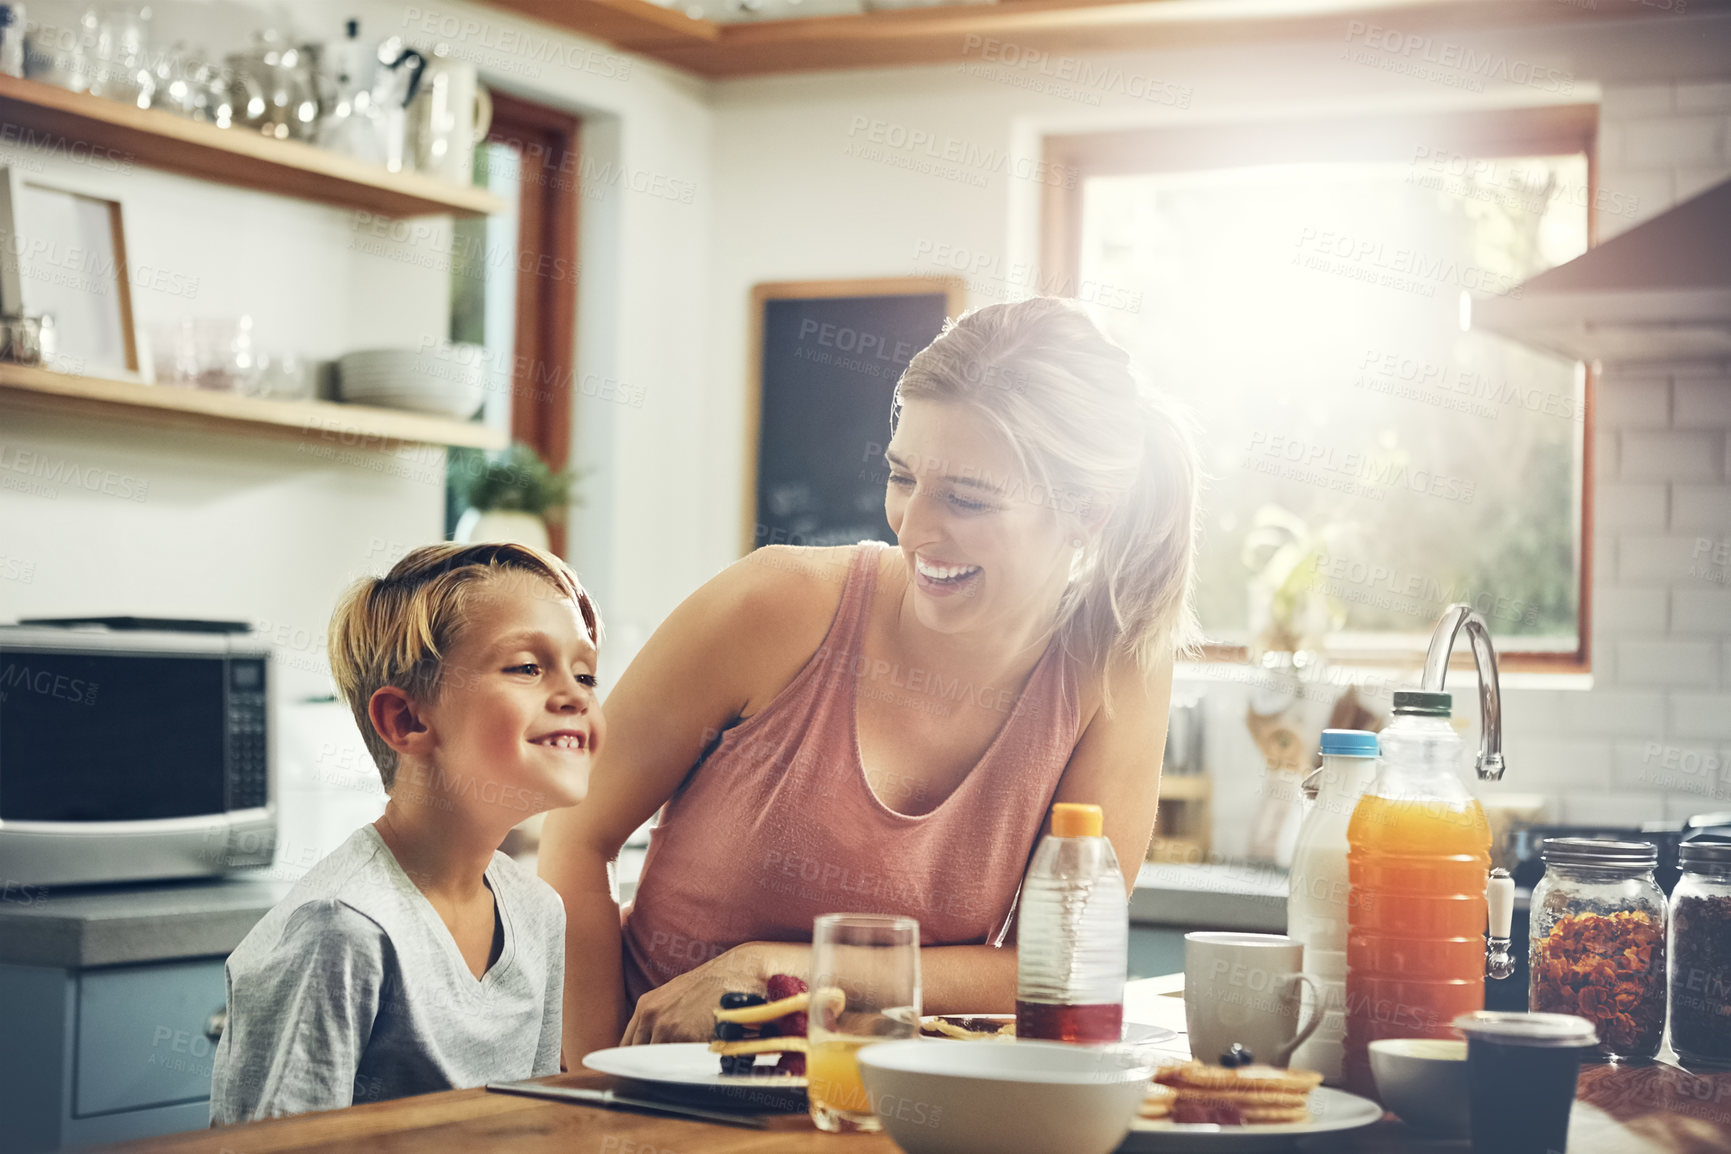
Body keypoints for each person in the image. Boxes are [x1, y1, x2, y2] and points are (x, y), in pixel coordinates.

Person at [541, 296, 1200, 1058]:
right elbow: (576, 835)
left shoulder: (1114, 673)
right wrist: (593, 1087)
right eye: (902, 476)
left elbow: (1058, 971)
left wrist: (781, 968)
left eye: (965, 498)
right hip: (661, 1094)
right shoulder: (774, 605)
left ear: (1088, 511)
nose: (914, 527)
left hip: (888, 1110)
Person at [210, 543, 604, 1123]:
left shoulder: (538, 912)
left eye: (586, 672)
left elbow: (529, 1125)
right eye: (527, 667)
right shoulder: (341, 928)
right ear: (407, 720)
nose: (576, 694)